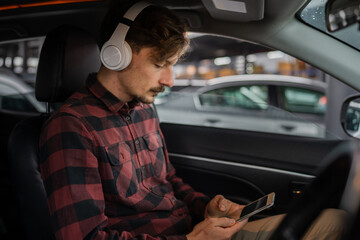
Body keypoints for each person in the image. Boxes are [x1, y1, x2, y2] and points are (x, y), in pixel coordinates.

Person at [39, 0, 346, 239]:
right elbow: (86, 237)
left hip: (192, 231)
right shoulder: (71, 127)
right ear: (116, 55)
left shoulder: (143, 108)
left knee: (336, 222)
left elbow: (169, 182)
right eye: (160, 64)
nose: (170, 80)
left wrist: (206, 206)